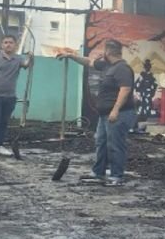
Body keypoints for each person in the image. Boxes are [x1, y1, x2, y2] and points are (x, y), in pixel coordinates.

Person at [57, 39, 136, 186]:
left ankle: (116, 177)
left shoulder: (122, 68)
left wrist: (115, 110)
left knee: (115, 145)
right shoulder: (107, 65)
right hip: (105, 114)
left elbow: (125, 90)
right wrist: (71, 56)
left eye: (103, 50)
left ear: (108, 51)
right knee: (101, 142)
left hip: (119, 114)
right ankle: (98, 173)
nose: (101, 53)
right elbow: (89, 62)